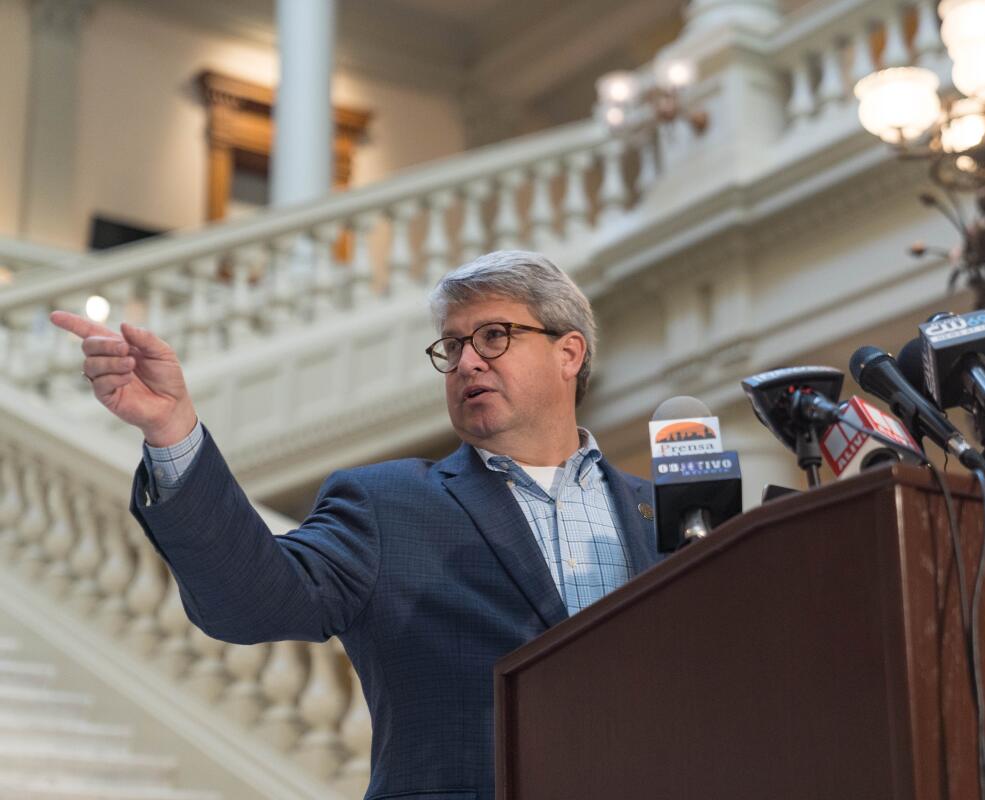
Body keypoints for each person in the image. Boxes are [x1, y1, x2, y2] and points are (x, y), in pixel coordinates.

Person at [50, 250, 662, 800]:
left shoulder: (666, 518)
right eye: (452, 347)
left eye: (494, 336)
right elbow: (248, 600)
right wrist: (171, 432)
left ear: (569, 352)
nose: (467, 361)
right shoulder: (386, 505)